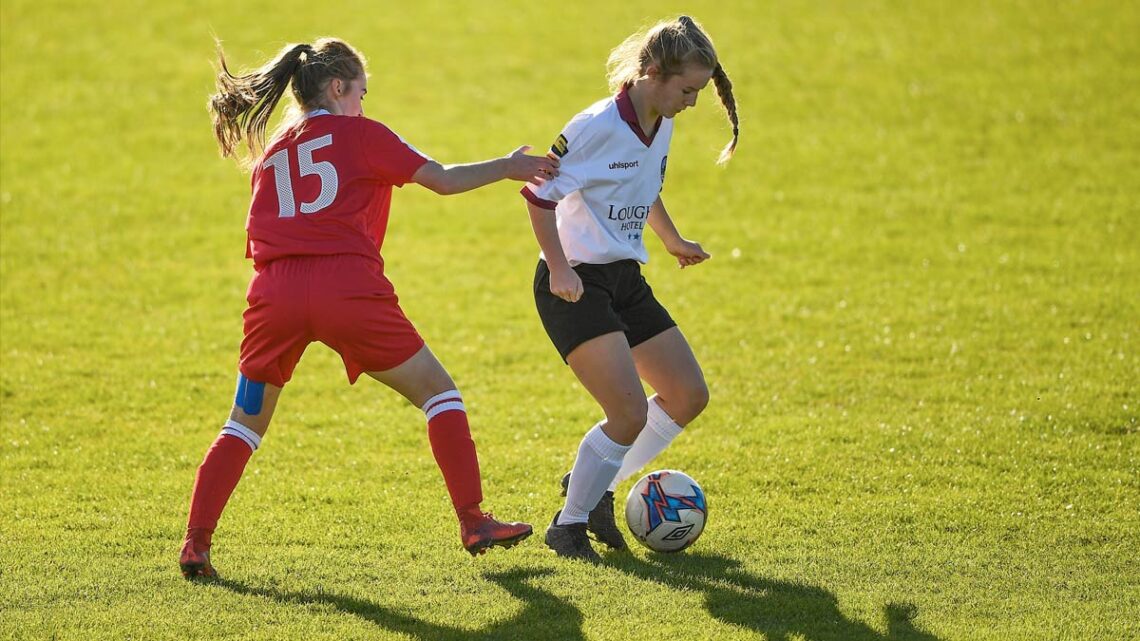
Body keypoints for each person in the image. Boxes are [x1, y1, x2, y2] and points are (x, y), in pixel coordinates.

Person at [180, 37, 560, 578]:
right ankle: (474, 520)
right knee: (440, 394)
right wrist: (508, 166)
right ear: (338, 88)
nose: (363, 103)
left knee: (243, 423)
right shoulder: (363, 134)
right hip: (347, 287)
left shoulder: (274, 152)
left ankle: (195, 545)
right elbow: (443, 180)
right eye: (361, 92)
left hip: (273, 294)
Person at [520, 16, 739, 561]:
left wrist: (671, 238)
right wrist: (560, 268)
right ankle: (568, 526)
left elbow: (642, 186)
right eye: (687, 90)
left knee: (687, 394)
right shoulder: (595, 126)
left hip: (624, 278)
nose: (692, 103)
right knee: (628, 413)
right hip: (574, 283)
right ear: (654, 72)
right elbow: (538, 198)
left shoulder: (661, 118)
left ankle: (596, 486)